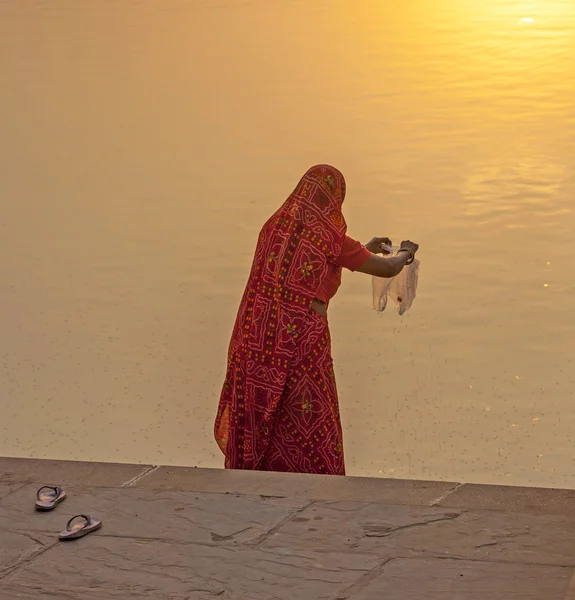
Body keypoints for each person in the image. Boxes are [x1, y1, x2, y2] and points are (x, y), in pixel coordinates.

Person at [214, 165, 419, 476]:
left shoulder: (274, 227)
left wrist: (365, 247)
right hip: (302, 340)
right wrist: (406, 252)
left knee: (271, 408)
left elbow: (313, 260)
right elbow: (388, 269)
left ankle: (262, 474)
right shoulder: (329, 237)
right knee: (308, 410)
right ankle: (315, 479)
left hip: (257, 338)